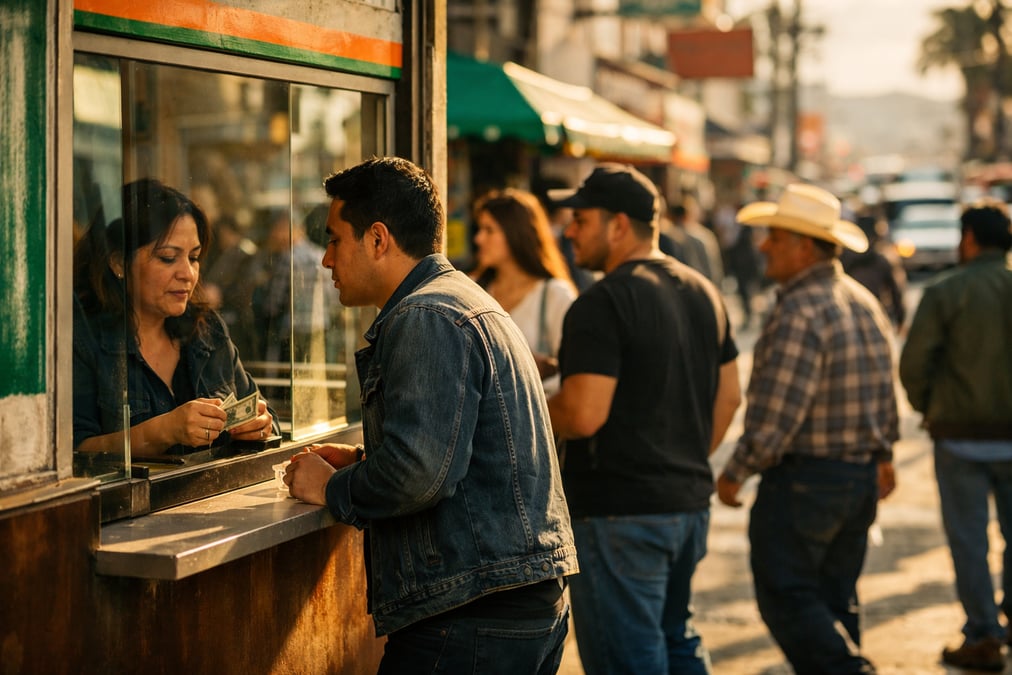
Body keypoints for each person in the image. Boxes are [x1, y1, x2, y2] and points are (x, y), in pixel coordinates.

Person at [283, 157, 578, 673]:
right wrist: (359, 459)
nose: (326, 260)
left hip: (473, 615)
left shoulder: (426, 314)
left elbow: (420, 474)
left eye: (334, 239)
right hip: (504, 605)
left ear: (377, 239)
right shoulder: (457, 300)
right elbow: (453, 452)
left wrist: (331, 488)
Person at [546, 163, 742, 674]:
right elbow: (730, 398)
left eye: (581, 220)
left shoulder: (601, 303)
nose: (569, 231)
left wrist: (528, 402)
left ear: (617, 225)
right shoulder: (704, 292)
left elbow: (584, 415)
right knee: (675, 641)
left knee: (630, 659)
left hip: (619, 515)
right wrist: (685, 458)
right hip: (686, 506)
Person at [715, 183, 898, 674]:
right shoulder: (861, 300)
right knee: (835, 598)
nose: (763, 246)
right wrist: (884, 455)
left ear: (804, 246)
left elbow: (777, 415)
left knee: (787, 592)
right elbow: (885, 394)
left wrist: (736, 471)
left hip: (805, 484)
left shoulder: (800, 309)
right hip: (855, 479)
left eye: (774, 236)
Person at [73, 178, 276, 456]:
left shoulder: (206, 329)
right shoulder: (82, 338)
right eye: (168, 258)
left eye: (193, 258)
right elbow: (73, 454)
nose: (188, 274)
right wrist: (165, 430)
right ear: (119, 262)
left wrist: (260, 426)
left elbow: (265, 416)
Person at [898, 198, 1012, 671]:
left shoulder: (946, 291)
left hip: (960, 439)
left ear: (968, 239)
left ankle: (983, 634)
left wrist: (933, 407)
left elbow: (913, 364)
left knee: (969, 540)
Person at [472, 188, 577, 395]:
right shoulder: (472, 290)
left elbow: (573, 373)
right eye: (479, 229)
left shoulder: (555, 295)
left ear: (516, 233)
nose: (479, 239)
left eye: (489, 230)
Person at [840, 206, 907, 332]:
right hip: (877, 313)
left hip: (850, 314)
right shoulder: (883, 259)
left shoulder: (846, 257)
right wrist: (901, 318)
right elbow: (896, 291)